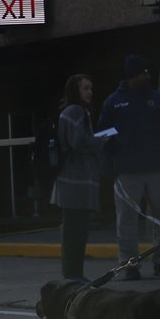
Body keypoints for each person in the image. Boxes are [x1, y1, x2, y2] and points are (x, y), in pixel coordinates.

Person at [99, 55, 160, 280]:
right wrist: (112, 159)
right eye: (143, 73)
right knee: (127, 220)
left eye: (148, 73)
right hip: (127, 171)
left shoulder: (158, 99)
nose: (148, 76)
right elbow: (102, 134)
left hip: (158, 168)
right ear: (131, 76)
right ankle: (129, 265)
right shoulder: (113, 102)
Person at [50, 73, 101, 280]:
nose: (90, 92)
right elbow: (79, 143)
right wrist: (101, 141)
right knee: (75, 234)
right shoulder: (77, 111)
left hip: (70, 183)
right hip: (76, 183)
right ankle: (73, 276)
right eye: (85, 88)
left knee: (74, 234)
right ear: (75, 90)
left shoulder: (69, 111)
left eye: (90, 88)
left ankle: (73, 274)